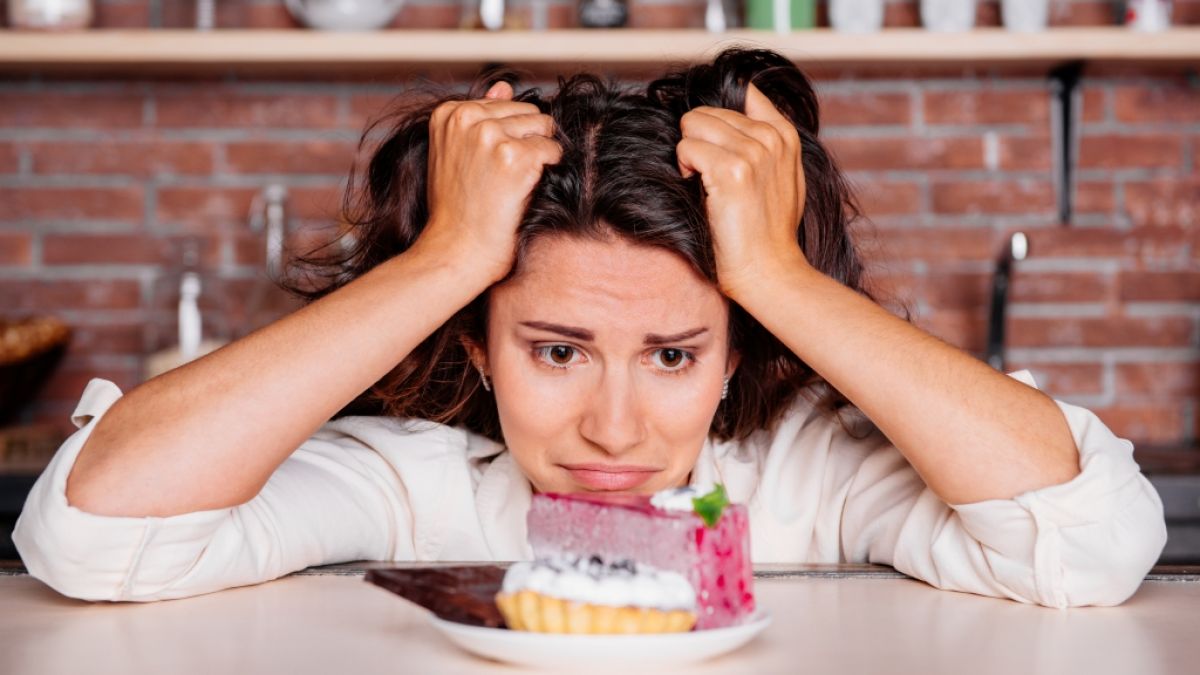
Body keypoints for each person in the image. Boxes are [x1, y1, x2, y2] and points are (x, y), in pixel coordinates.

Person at [14, 49, 1165, 608]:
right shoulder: (424, 489)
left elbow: (1093, 540)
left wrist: (779, 277)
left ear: (735, 355)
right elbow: (92, 534)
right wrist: (452, 257)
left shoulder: (819, 477)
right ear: (476, 342)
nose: (612, 430)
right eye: (556, 351)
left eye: (674, 355)